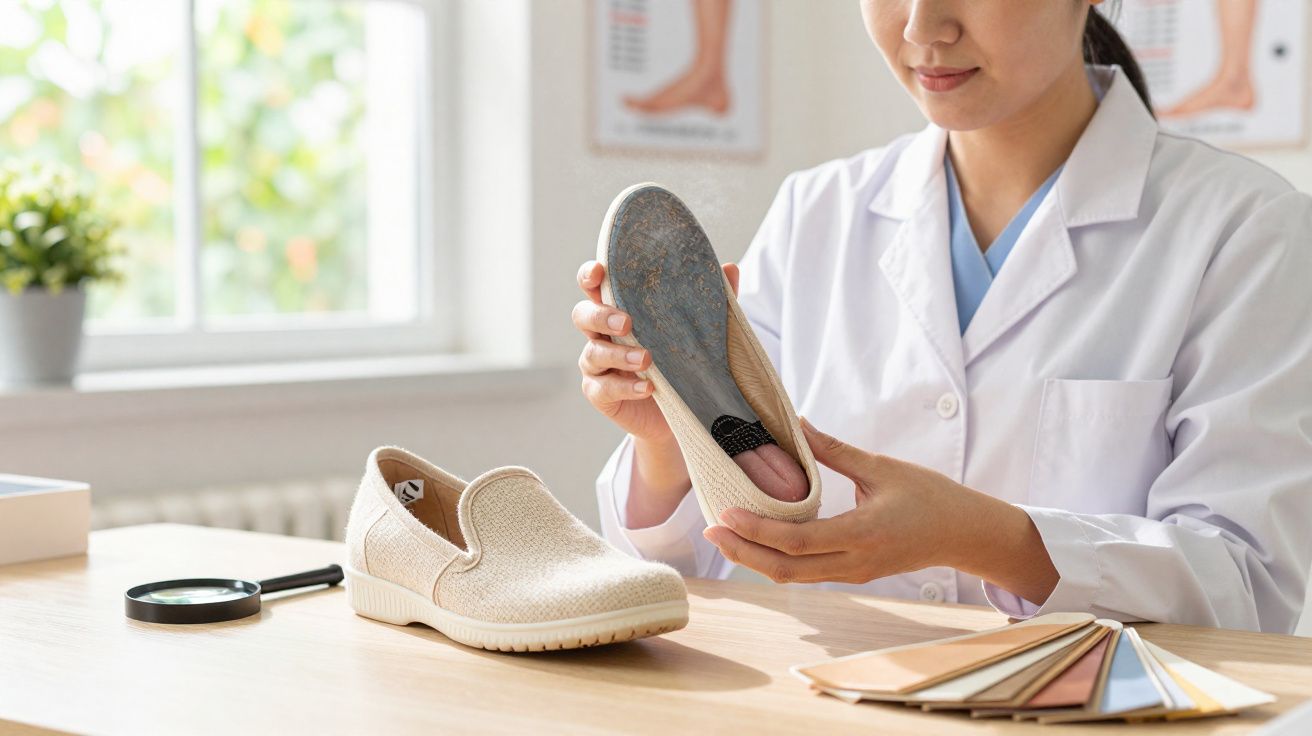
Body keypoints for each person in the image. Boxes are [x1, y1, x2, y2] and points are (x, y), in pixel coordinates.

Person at [572, 0, 1312, 633]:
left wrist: (985, 538)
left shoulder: (1245, 230)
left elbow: (1246, 589)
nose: (923, 28)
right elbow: (677, 577)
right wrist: (671, 446)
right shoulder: (816, 213)